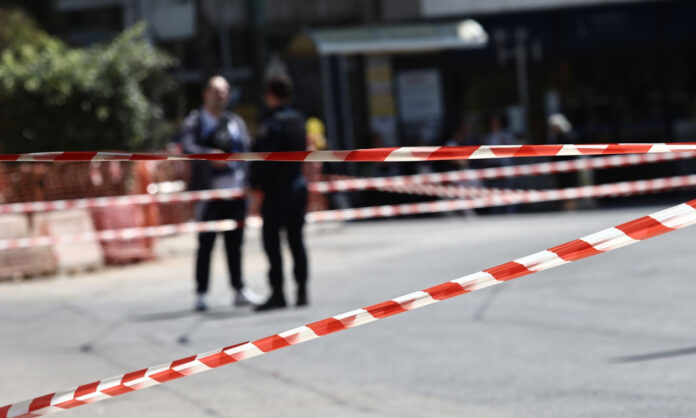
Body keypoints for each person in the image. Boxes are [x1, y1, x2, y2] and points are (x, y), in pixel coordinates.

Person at [179, 75, 262, 311]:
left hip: (236, 193)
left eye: (225, 91)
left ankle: (238, 289)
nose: (221, 96)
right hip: (209, 195)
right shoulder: (196, 121)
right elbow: (187, 147)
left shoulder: (235, 121)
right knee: (206, 245)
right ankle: (201, 293)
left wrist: (250, 184)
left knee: (235, 244)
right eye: (217, 91)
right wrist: (209, 155)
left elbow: (246, 153)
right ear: (206, 94)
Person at [250, 75, 309, 311]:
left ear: (270, 95)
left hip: (277, 191)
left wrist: (256, 185)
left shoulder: (271, 122)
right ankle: (302, 291)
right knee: (297, 241)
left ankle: (278, 293)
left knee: (272, 243)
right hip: (298, 185)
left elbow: (265, 159)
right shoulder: (298, 120)